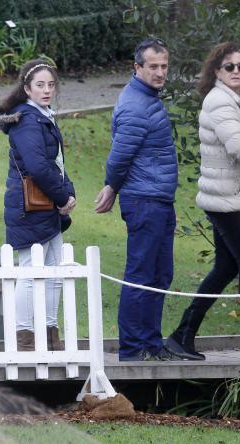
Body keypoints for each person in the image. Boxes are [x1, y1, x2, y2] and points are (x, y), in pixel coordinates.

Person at [165, 42, 240, 361]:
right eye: (229, 66)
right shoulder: (220, 101)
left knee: (226, 267)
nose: (236, 71)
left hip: (238, 196)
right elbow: (239, 147)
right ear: (216, 71)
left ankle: (182, 335)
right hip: (226, 200)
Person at [94, 38, 179, 362]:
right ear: (137, 67)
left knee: (160, 275)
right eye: (153, 66)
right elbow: (119, 158)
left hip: (158, 199)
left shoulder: (147, 99)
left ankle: (151, 344)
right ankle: (132, 350)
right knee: (141, 275)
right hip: (144, 201)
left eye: (164, 66)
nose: (160, 72)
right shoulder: (135, 106)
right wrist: (111, 187)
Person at [0, 60, 76, 351]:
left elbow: (57, 163)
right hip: (29, 205)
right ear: (27, 89)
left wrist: (67, 192)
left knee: (54, 271)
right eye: (40, 85)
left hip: (45, 204)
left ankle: (49, 334)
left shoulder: (43, 116)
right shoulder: (28, 119)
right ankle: (24, 336)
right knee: (31, 271)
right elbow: (38, 166)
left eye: (51, 85)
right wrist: (62, 197)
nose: (47, 90)